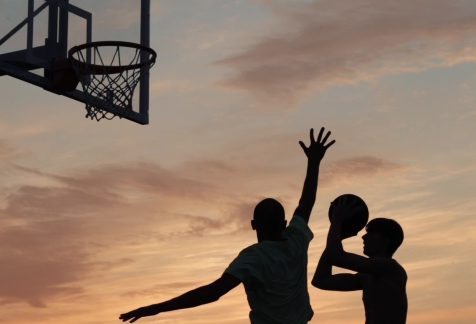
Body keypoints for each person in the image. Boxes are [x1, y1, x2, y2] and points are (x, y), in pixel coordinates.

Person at [119, 128, 336, 323]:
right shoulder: (297, 239)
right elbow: (306, 202)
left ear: (253, 225)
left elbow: (213, 292)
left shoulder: (253, 257)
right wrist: (314, 162)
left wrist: (156, 308)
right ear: (284, 223)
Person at [312, 201, 407, 324]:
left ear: (384, 241)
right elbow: (321, 280)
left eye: (370, 234)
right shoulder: (367, 277)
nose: (364, 237)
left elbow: (335, 256)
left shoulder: (390, 268)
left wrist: (337, 222)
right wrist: (338, 237)